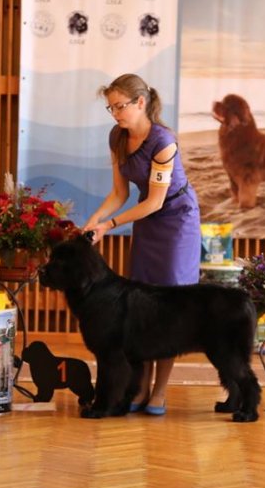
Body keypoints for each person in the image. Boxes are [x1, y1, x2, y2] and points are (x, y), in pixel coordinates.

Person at [84, 74, 201, 415]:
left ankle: (160, 392)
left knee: (170, 307)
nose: (115, 113)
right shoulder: (117, 137)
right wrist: (93, 222)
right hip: (149, 225)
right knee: (143, 305)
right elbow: (120, 193)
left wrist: (110, 224)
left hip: (177, 221)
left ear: (140, 102)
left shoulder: (164, 141)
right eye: (111, 107)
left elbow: (153, 201)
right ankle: (140, 387)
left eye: (120, 106)